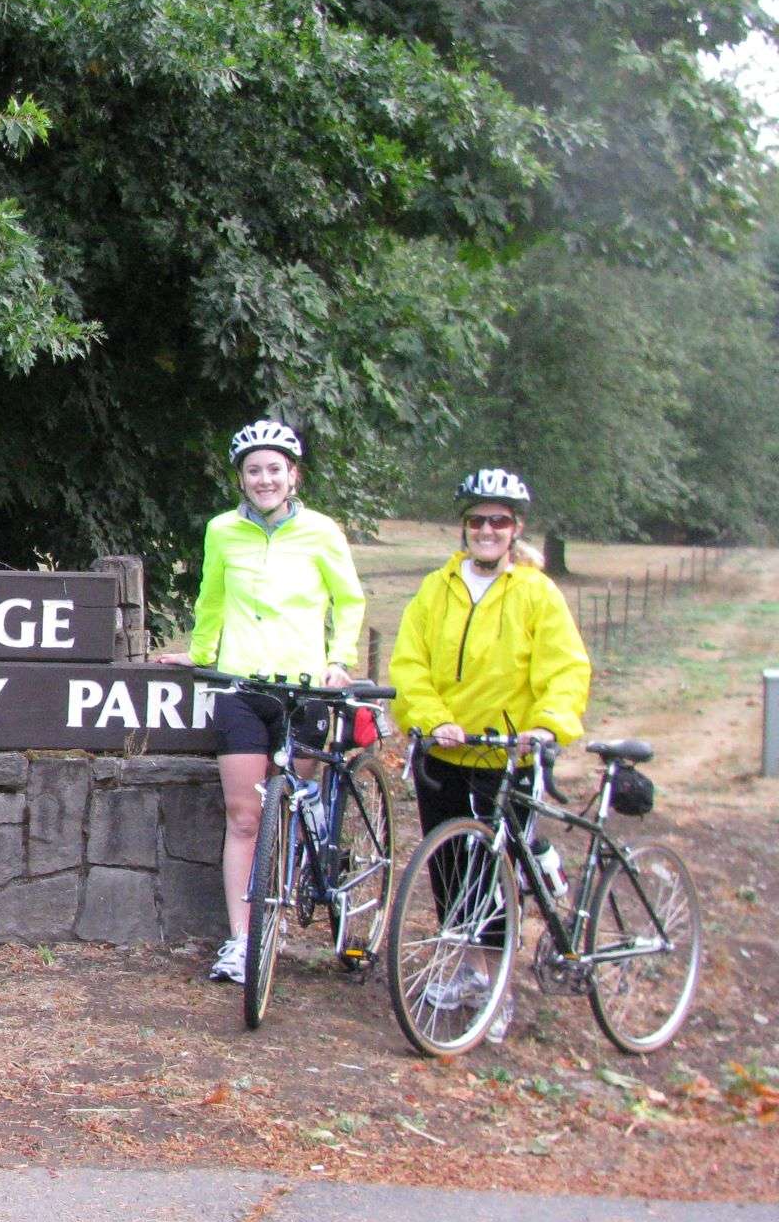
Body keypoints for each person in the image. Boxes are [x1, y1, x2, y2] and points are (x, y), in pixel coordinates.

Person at [154, 419, 366, 984]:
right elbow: (212, 597)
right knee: (245, 817)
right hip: (241, 688)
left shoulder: (321, 532)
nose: (265, 479)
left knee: (294, 808)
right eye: (254, 470)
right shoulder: (223, 530)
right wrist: (198, 655)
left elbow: (348, 601)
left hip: (304, 689)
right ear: (242, 480)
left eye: (275, 469)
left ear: (293, 476)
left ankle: (298, 881)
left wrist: (339, 660)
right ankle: (243, 939)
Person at [389, 468, 591, 1043]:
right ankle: (467, 969)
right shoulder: (436, 588)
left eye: (497, 521)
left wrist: (549, 726)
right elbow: (409, 665)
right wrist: (433, 719)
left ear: (514, 529)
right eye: (476, 520)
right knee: (450, 868)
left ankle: (495, 982)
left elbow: (564, 668)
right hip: (448, 752)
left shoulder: (535, 593)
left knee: (497, 877)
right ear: (464, 527)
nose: (486, 530)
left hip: (509, 754)